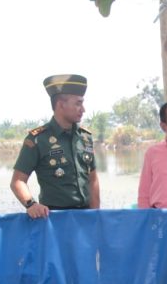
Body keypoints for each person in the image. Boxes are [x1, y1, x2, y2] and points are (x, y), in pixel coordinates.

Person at [10, 74, 100, 218]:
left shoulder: (85, 137)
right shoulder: (38, 139)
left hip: (85, 217)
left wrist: (96, 217)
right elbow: (18, 181)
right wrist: (31, 204)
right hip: (54, 220)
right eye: (78, 103)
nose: (83, 109)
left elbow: (93, 180)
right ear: (60, 104)